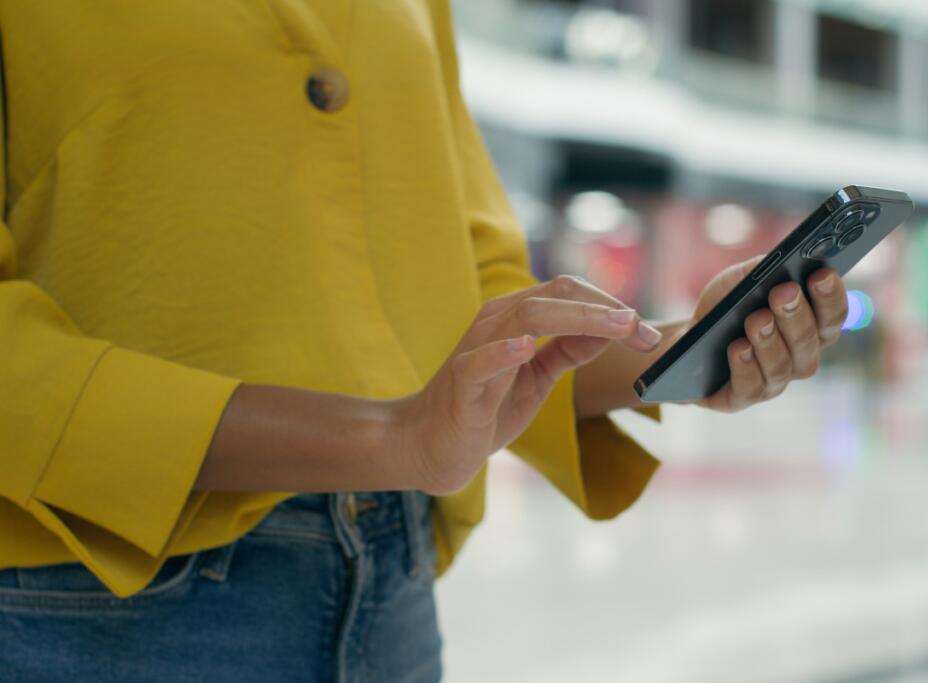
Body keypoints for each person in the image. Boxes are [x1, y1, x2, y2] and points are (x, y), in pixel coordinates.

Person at [0, 1, 848, 681]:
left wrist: (686, 349)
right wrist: (389, 436)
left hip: (388, 582)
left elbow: (475, 299)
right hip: (94, 596)